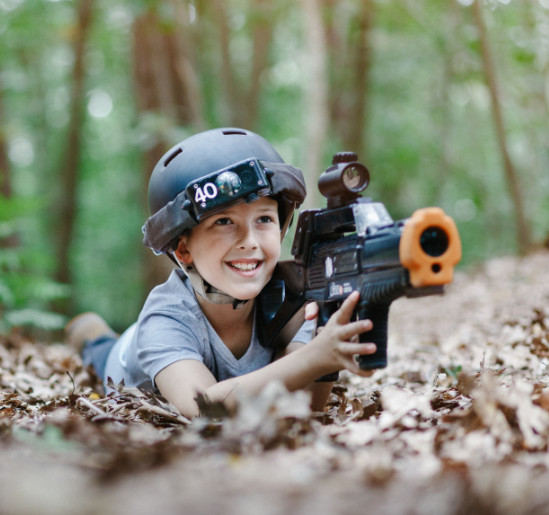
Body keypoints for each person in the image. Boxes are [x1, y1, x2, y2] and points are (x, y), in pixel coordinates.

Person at [66, 128, 375, 419]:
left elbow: (301, 408)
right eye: (223, 222)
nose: (250, 241)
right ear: (183, 250)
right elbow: (205, 408)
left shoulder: (296, 297)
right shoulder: (164, 319)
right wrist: (312, 358)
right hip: (123, 356)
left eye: (264, 219)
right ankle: (88, 330)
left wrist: (326, 349)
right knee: (97, 345)